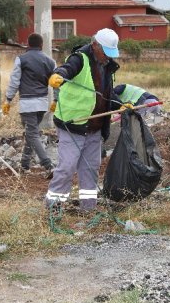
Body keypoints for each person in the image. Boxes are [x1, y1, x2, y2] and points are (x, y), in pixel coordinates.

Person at [45, 28, 125, 212]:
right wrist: (59, 75)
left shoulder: (106, 66)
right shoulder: (79, 59)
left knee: (91, 169)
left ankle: (88, 209)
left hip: (95, 127)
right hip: (72, 125)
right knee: (66, 167)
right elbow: (67, 69)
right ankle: (53, 208)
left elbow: (106, 94)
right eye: (106, 52)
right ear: (95, 45)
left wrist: (120, 105)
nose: (108, 57)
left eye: (111, 53)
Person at [2, 33, 57, 178]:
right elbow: (57, 83)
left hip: (27, 103)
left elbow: (15, 81)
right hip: (42, 104)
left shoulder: (22, 59)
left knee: (32, 133)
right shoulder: (50, 61)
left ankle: (48, 165)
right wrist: (56, 101)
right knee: (31, 133)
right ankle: (24, 164)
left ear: (28, 44)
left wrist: (8, 99)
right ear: (41, 45)